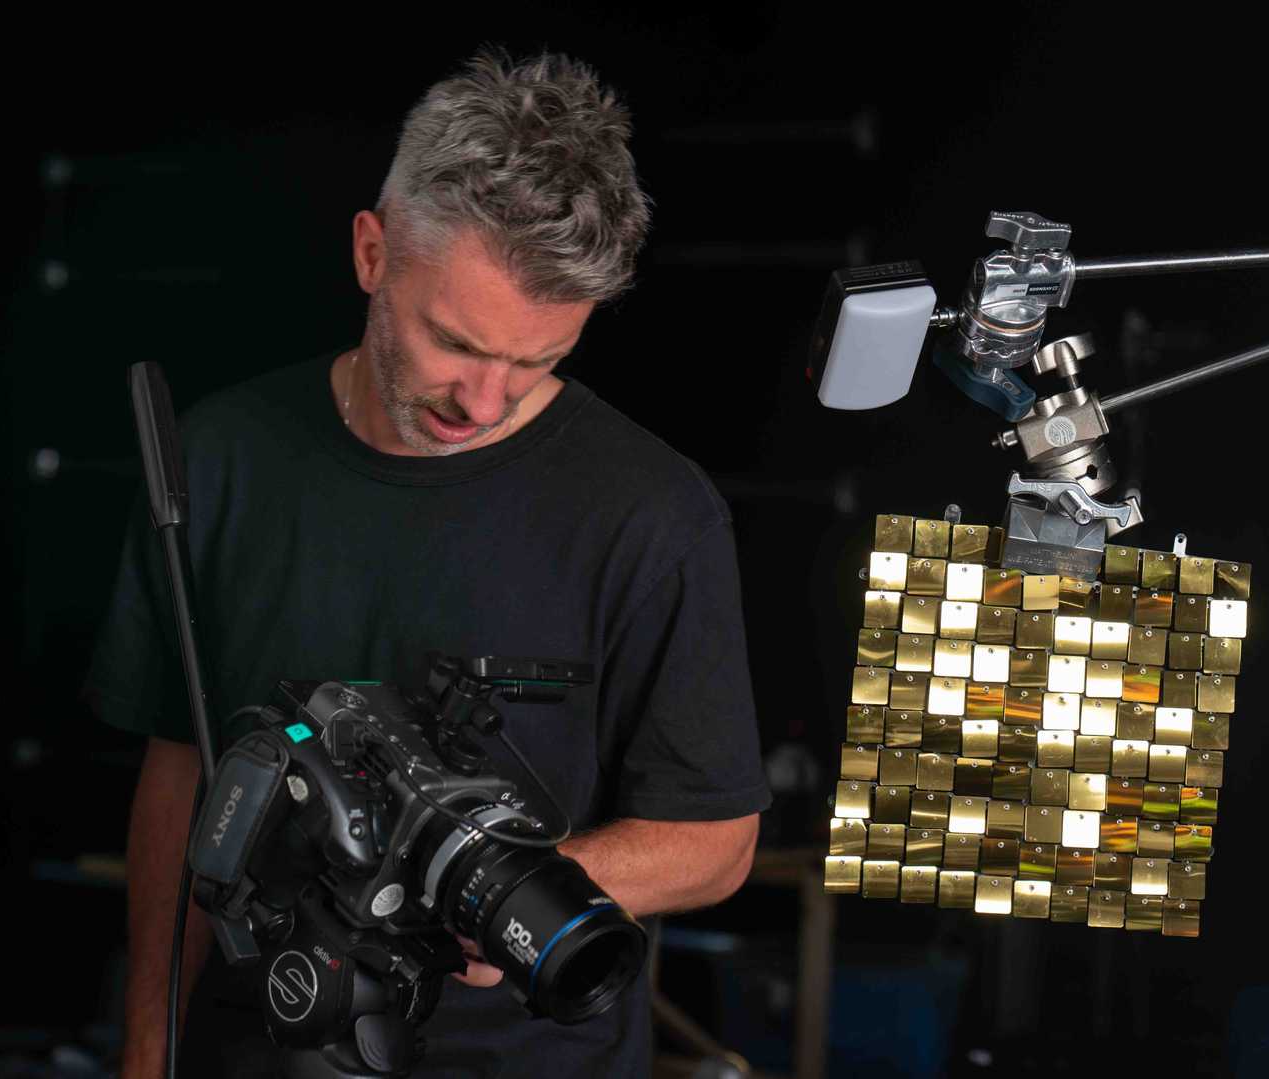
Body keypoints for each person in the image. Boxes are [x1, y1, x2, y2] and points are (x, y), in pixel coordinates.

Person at [83, 50, 770, 1078]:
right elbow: (181, 781)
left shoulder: (654, 513)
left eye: (535, 361)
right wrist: (148, 1047)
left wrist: (500, 886)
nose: (483, 403)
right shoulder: (217, 460)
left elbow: (715, 839)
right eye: (453, 342)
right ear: (372, 254)